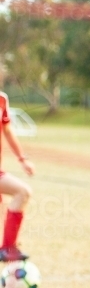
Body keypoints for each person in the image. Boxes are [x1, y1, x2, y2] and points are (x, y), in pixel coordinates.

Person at [0, 88, 34, 262]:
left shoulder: (1, 100)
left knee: (23, 192)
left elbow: (7, 130)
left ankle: (7, 248)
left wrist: (22, 159)